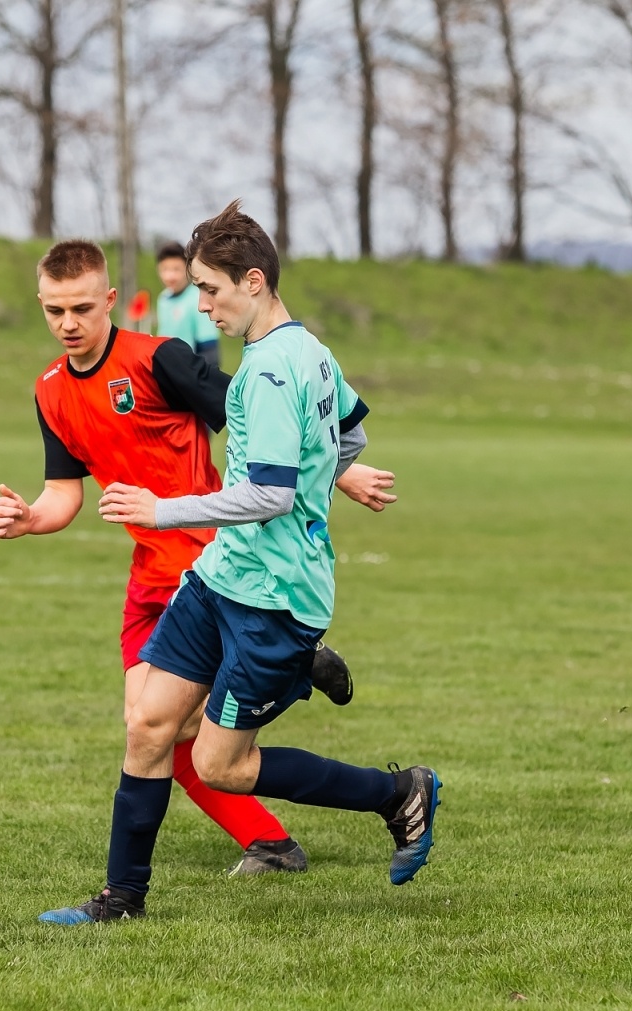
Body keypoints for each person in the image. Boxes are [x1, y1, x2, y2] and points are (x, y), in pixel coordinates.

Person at [39, 202, 440, 925]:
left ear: (252, 282)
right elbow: (349, 430)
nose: (201, 305)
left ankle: (399, 793)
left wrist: (162, 510)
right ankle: (121, 899)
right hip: (219, 579)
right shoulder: (310, 351)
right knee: (150, 726)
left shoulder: (272, 374)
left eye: (210, 289)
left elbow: (268, 494)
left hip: (275, 598)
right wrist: (329, 472)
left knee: (222, 765)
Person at [156, 241, 221, 370]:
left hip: (191, 374)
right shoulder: (163, 299)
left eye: (176, 269)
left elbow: (209, 350)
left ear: (188, 269)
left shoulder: (198, 297)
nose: (170, 276)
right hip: (169, 374)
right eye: (165, 269)